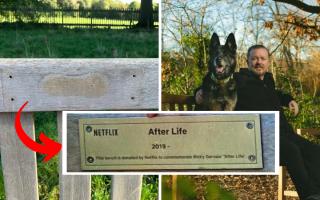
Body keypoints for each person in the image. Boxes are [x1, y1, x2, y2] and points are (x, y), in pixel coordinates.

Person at [195, 45, 320, 200]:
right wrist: (199, 92)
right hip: (259, 138)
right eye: (254, 58)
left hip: (284, 133)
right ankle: (310, 196)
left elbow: (275, 94)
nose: (258, 62)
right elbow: (216, 83)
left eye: (262, 59)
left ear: (268, 62)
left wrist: (288, 100)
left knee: (314, 151)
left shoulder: (268, 80)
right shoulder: (239, 80)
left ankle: (316, 193)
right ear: (247, 61)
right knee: (292, 151)